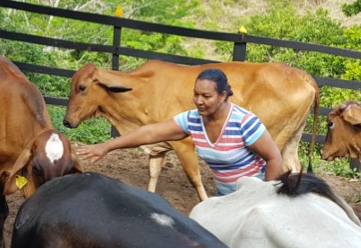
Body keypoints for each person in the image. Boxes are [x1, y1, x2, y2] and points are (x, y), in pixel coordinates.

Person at [76, 68, 283, 196]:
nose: (199, 101)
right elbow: (150, 133)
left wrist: (264, 201)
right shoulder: (193, 120)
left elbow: (274, 158)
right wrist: (107, 146)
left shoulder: (244, 122)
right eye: (196, 95)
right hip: (225, 198)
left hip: (255, 196)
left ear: (222, 96)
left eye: (206, 96)